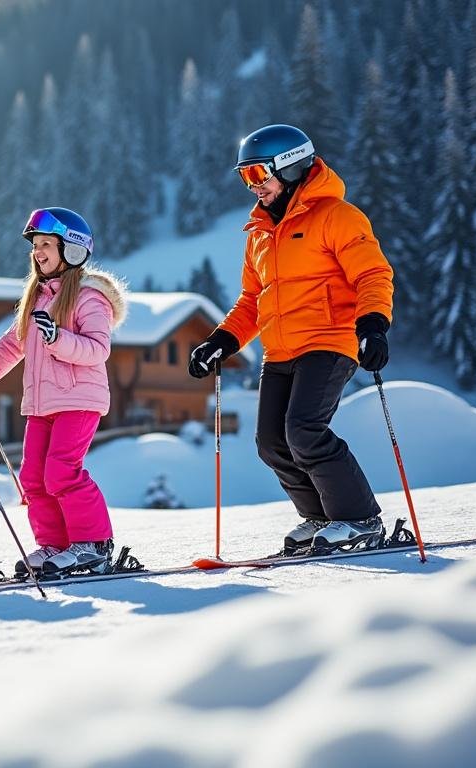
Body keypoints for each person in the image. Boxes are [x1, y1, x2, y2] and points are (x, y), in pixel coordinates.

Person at [188, 124, 394, 554]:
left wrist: (373, 325)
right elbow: (251, 300)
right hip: (279, 350)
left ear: (293, 167)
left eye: (259, 175)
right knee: (272, 443)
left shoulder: (338, 217)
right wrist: (221, 341)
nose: (254, 187)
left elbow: (372, 274)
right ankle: (320, 517)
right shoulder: (260, 235)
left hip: (328, 342)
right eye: (246, 177)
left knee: (304, 430)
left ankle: (359, 520)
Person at [0, 207, 128, 576]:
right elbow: (10, 347)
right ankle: (54, 545)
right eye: (35, 245)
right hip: (40, 404)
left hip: (79, 400)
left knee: (62, 472)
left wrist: (57, 337)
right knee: (32, 477)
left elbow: (98, 349)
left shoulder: (88, 297)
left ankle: (92, 544)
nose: (39, 252)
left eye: (47, 244)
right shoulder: (36, 299)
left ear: (73, 250)